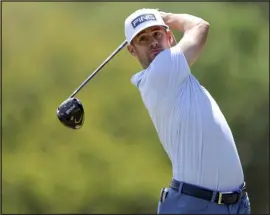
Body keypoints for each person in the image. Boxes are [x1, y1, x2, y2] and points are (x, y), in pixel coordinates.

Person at [124, 8, 251, 214]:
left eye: (157, 34)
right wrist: (166, 17)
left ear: (169, 37)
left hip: (233, 203)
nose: (153, 42)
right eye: (143, 39)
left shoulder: (176, 76)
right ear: (132, 50)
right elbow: (200, 26)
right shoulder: (161, 72)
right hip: (195, 205)